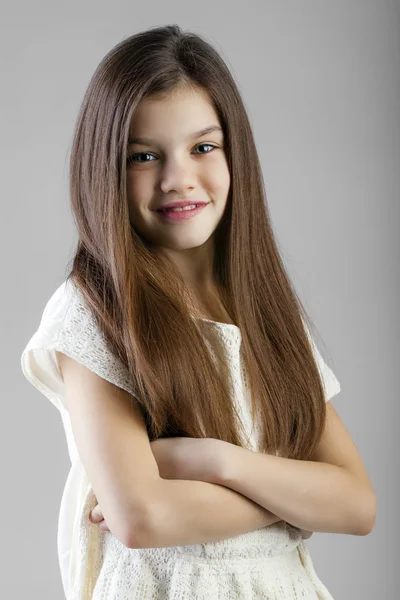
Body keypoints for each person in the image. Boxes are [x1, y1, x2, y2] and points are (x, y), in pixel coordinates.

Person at [20, 24, 376, 600]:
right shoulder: (94, 313)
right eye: (144, 156)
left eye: (203, 147)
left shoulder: (265, 311)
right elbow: (143, 518)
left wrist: (213, 461)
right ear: (104, 168)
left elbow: (357, 504)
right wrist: (291, 503)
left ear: (235, 153)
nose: (177, 178)